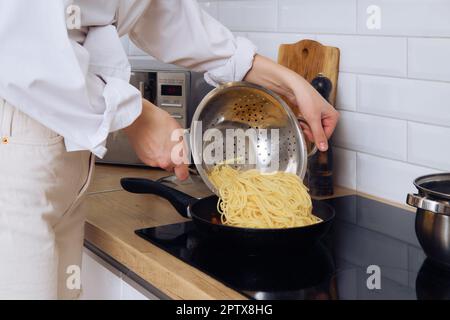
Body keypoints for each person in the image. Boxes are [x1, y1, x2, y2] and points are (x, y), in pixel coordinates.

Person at [0, 0, 339, 299]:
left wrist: (288, 83)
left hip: (66, 142)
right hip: (18, 132)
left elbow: (160, 12)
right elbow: (19, 41)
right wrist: (136, 117)